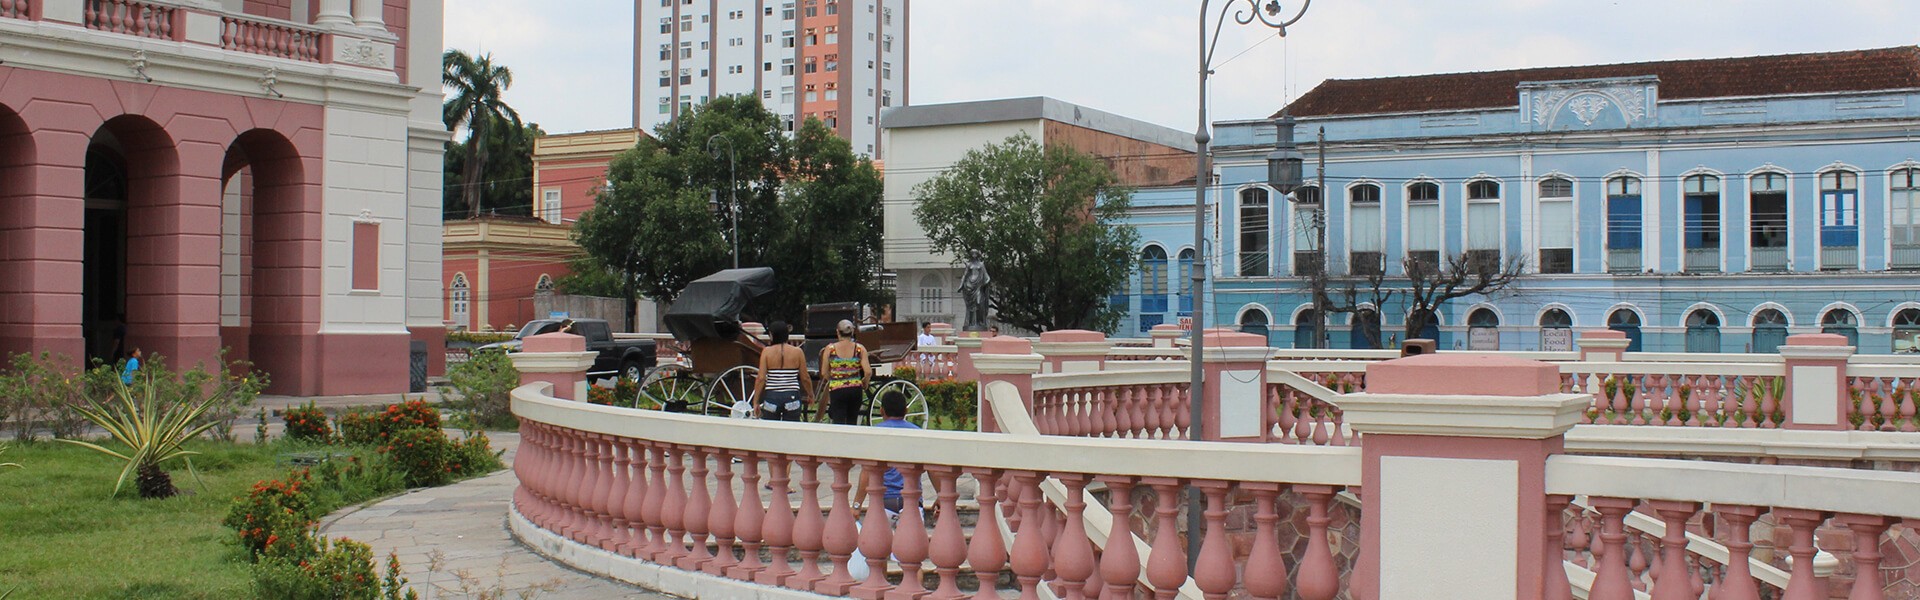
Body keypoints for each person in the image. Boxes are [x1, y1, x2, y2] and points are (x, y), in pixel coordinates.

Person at [853, 389, 922, 515]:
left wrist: (857, 505)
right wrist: (940, 497)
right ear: (906, 410)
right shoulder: (918, 433)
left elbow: (867, 472)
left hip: (884, 501)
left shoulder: (875, 433)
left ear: (881, 411)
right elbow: (933, 469)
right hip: (912, 501)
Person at [752, 321, 813, 421]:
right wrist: (810, 394)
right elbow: (805, 378)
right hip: (792, 395)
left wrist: (756, 401)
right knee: (791, 429)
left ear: (772, 335)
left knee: (772, 429)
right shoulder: (798, 352)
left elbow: (761, 378)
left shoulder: (766, 352)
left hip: (772, 396)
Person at [816, 319, 871, 424]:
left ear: (837, 332)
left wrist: (834, 379)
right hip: (855, 388)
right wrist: (864, 382)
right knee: (852, 421)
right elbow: (868, 372)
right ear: (852, 332)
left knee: (838, 421)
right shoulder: (859, 348)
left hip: (837, 389)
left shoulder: (830, 349)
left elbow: (824, 372)